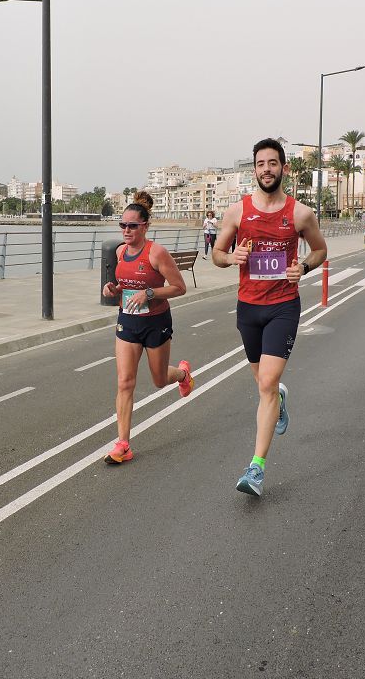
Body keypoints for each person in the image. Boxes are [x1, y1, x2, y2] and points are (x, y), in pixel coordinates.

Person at [211, 138, 327, 497]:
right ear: (254, 169)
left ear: (283, 169)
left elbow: (320, 249)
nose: (266, 169)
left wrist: (303, 267)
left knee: (265, 384)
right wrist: (231, 259)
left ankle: (256, 470)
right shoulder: (237, 212)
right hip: (248, 308)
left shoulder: (300, 214)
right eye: (260, 164)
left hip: (282, 306)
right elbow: (216, 252)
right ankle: (279, 398)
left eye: (273, 163)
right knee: (263, 384)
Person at [101, 191, 195, 464]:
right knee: (125, 382)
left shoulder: (157, 253)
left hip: (156, 322)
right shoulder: (120, 252)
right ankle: (123, 444)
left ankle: (182, 374)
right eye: (122, 225)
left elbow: (179, 287)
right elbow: (123, 287)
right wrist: (114, 290)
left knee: (157, 380)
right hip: (128, 320)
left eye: (132, 226)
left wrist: (150, 294)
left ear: (145, 226)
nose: (126, 230)